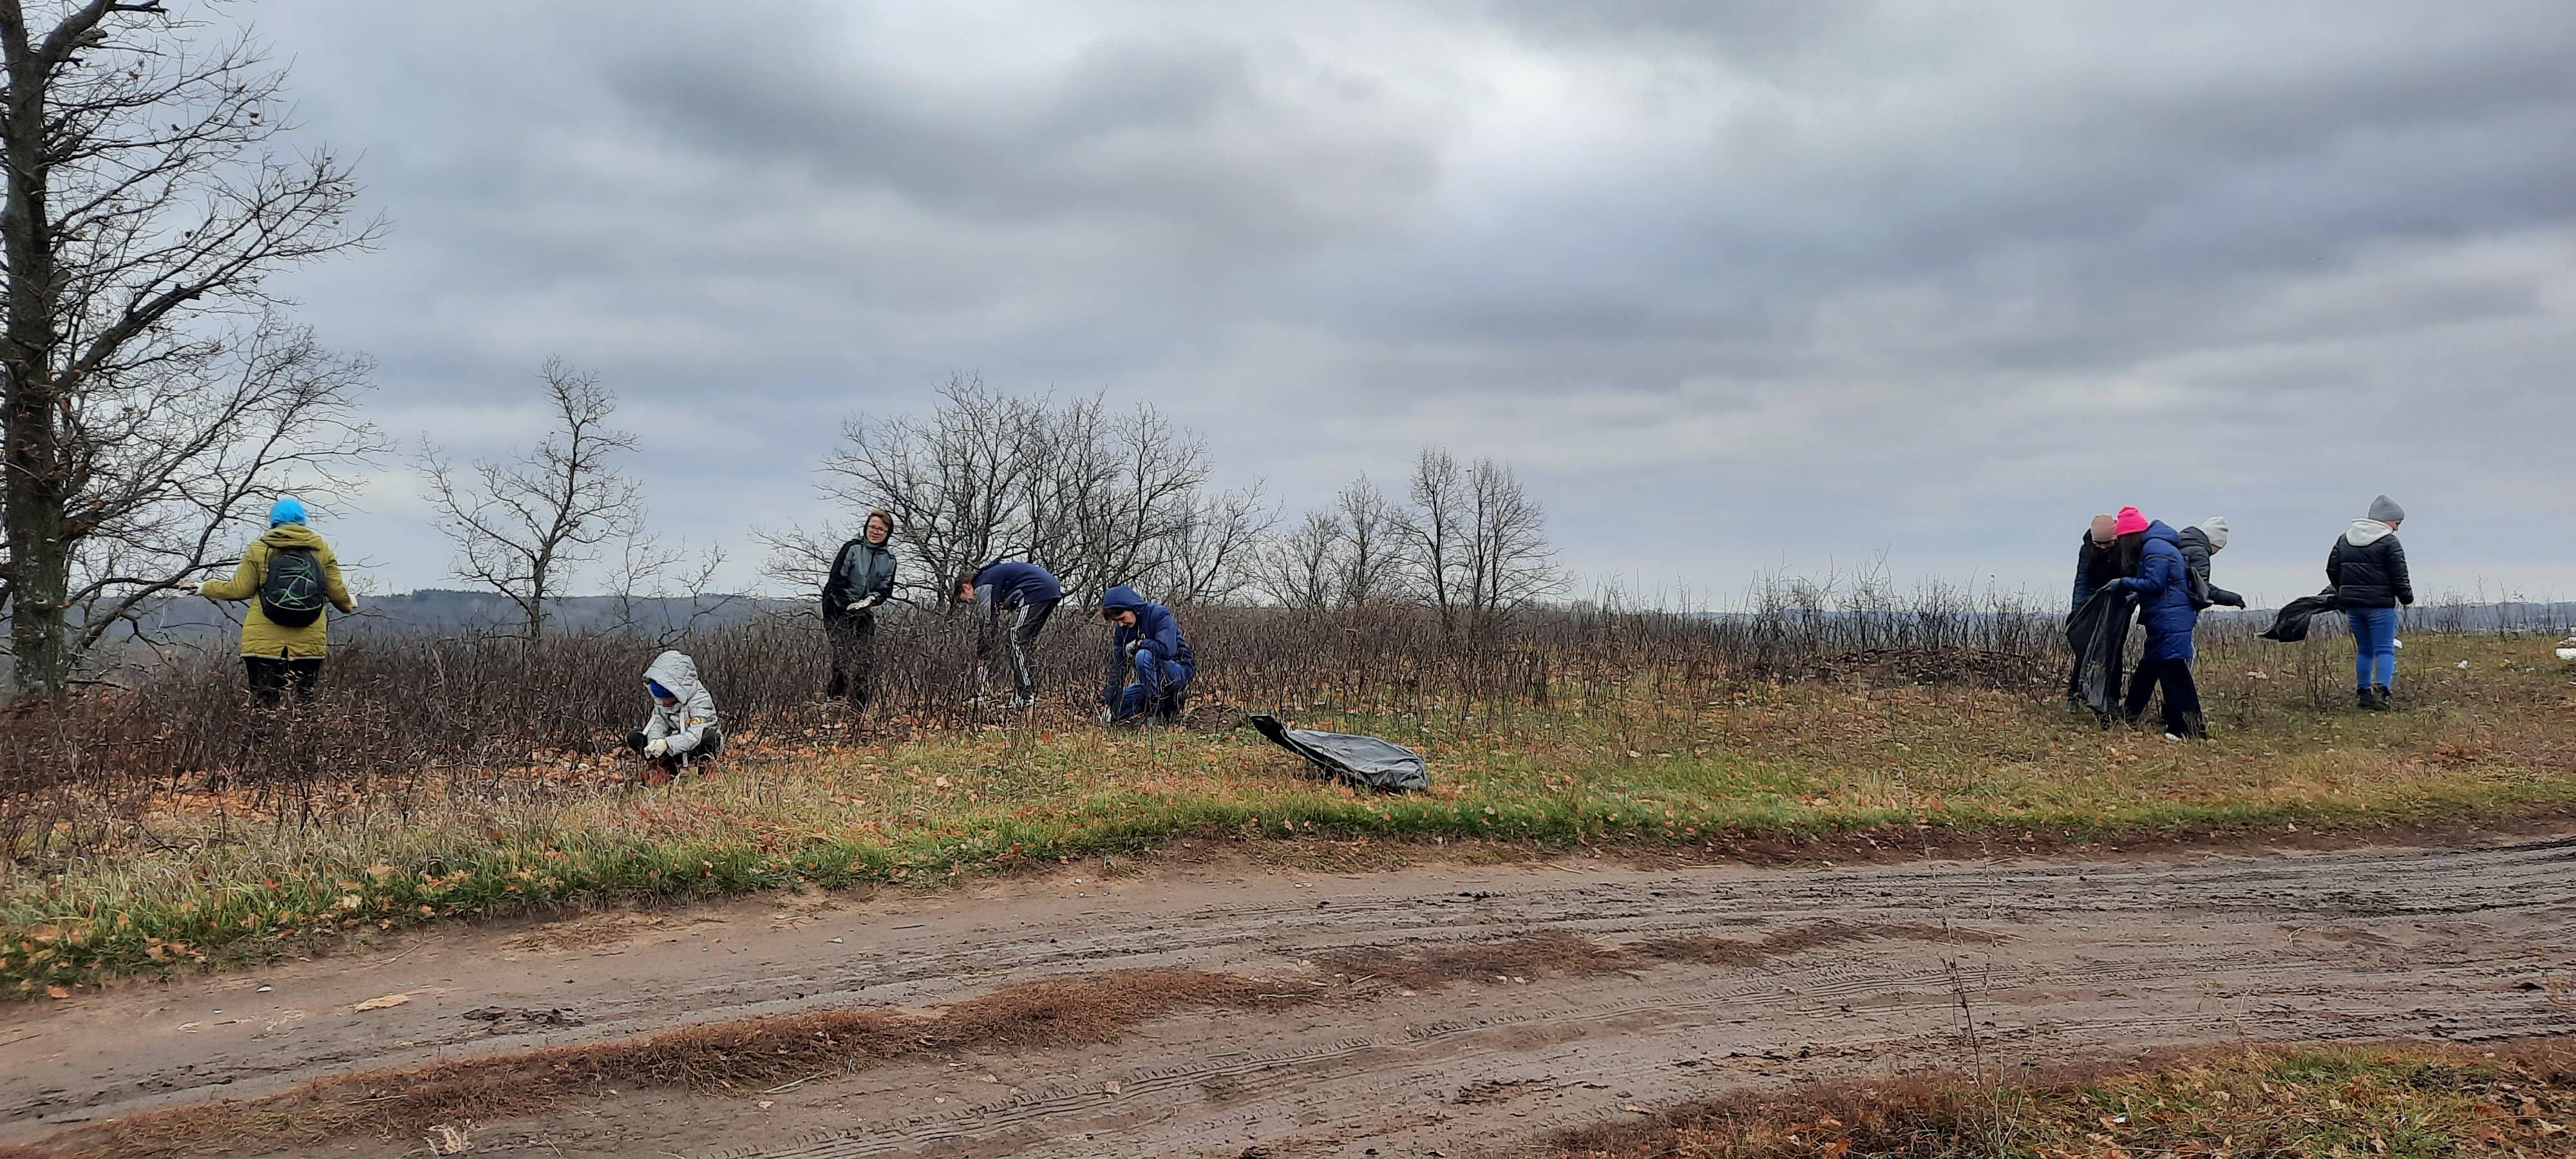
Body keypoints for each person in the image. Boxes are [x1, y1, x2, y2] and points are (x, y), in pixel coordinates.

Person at [196, 497, 358, 708]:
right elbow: (337, 594)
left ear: (273, 520)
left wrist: (204, 587)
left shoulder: (260, 549)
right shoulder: (321, 550)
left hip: (263, 642)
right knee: (304, 703)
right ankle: (304, 739)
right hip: (309, 642)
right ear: (303, 520)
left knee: (264, 702)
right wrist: (349, 603)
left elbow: (239, 589)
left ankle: (262, 739)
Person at [2104, 510, 2206, 739]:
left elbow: (2155, 583)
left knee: (2175, 673)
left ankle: (2189, 730)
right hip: (2167, 616)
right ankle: (2129, 713)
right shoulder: (2157, 546)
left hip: (2170, 618)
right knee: (2149, 667)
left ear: (2129, 536)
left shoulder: (2154, 549)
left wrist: (2122, 583)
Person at [2329, 495, 2412, 711]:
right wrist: (2406, 598)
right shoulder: (2389, 541)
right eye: (2397, 523)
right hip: (2380, 605)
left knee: (2365, 650)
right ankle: (2383, 694)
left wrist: (2344, 591)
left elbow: (2332, 569)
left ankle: (2364, 694)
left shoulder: (2344, 539)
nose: (2397, 528)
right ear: (2387, 520)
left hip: (2353, 606)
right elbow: (2399, 575)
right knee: (2385, 649)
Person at [955, 560, 1062, 708]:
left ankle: (1025, 696)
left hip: (1035, 593)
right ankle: (1029, 692)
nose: (971, 601)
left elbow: (988, 623)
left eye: (966, 599)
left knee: (1015, 639)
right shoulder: (990, 577)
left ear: (966, 587)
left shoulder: (982, 585)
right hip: (1049, 591)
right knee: (1024, 644)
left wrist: (982, 653)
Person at [819, 509, 898, 705]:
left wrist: (871, 600)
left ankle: (859, 708)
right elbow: (836, 580)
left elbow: (885, 589)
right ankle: (834, 702)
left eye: (881, 529)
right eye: (873, 527)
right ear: (866, 527)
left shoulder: (890, 559)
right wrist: (847, 605)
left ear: (888, 533)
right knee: (843, 654)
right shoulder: (852, 548)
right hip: (836, 605)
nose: (876, 532)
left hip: (862, 607)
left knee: (866, 657)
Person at [1099, 584, 1193, 725]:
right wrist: (1109, 699)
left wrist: (1140, 643)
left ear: (1131, 607)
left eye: (1122, 618)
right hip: (1150, 682)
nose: (1121, 624)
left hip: (1178, 671)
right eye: (1116, 622)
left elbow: (1167, 650)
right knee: (1117, 710)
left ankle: (1156, 711)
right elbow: (1118, 666)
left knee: (1142, 655)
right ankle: (1165, 703)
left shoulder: (1159, 614)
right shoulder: (1122, 632)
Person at [627, 650, 721, 786]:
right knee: (635, 735)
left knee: (710, 737)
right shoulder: (662, 702)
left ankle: (706, 772)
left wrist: (667, 743)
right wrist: (655, 743)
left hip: (695, 748)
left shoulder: (701, 701)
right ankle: (665, 771)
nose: (663, 703)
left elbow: (695, 735)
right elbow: (658, 723)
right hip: (672, 749)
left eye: (667, 698)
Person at [2065, 512, 2126, 710]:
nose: (2102, 548)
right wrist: (2079, 609)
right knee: (2085, 647)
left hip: (2118, 600)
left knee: (2115, 651)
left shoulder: (2125, 548)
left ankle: (2111, 699)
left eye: (2106, 544)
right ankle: (2074, 694)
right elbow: (2082, 579)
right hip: (2093, 599)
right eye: (2099, 544)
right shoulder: (2088, 549)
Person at [2177, 516, 2247, 612]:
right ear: (2215, 542)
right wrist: (2234, 599)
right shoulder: (2199, 552)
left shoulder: (2182, 544)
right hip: (2179, 608)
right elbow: (2202, 589)